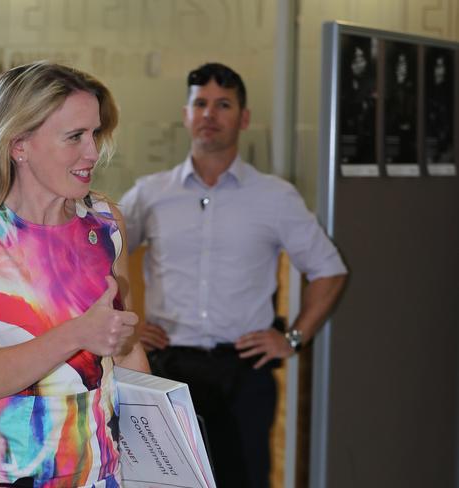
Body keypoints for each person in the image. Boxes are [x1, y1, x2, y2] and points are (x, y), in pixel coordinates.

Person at [119, 62, 347, 488]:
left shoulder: (275, 197)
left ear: (243, 118)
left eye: (223, 104)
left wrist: (293, 338)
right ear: (186, 115)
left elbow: (329, 270)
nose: (210, 114)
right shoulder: (151, 194)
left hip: (244, 372)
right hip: (168, 369)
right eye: (200, 103)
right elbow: (99, 262)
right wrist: (128, 331)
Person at [0, 61, 149, 487]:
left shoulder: (105, 223)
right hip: (0, 472)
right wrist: (78, 333)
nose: (93, 152)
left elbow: (124, 351)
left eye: (95, 134)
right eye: (74, 137)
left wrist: (154, 450)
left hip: (100, 473)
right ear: (19, 144)